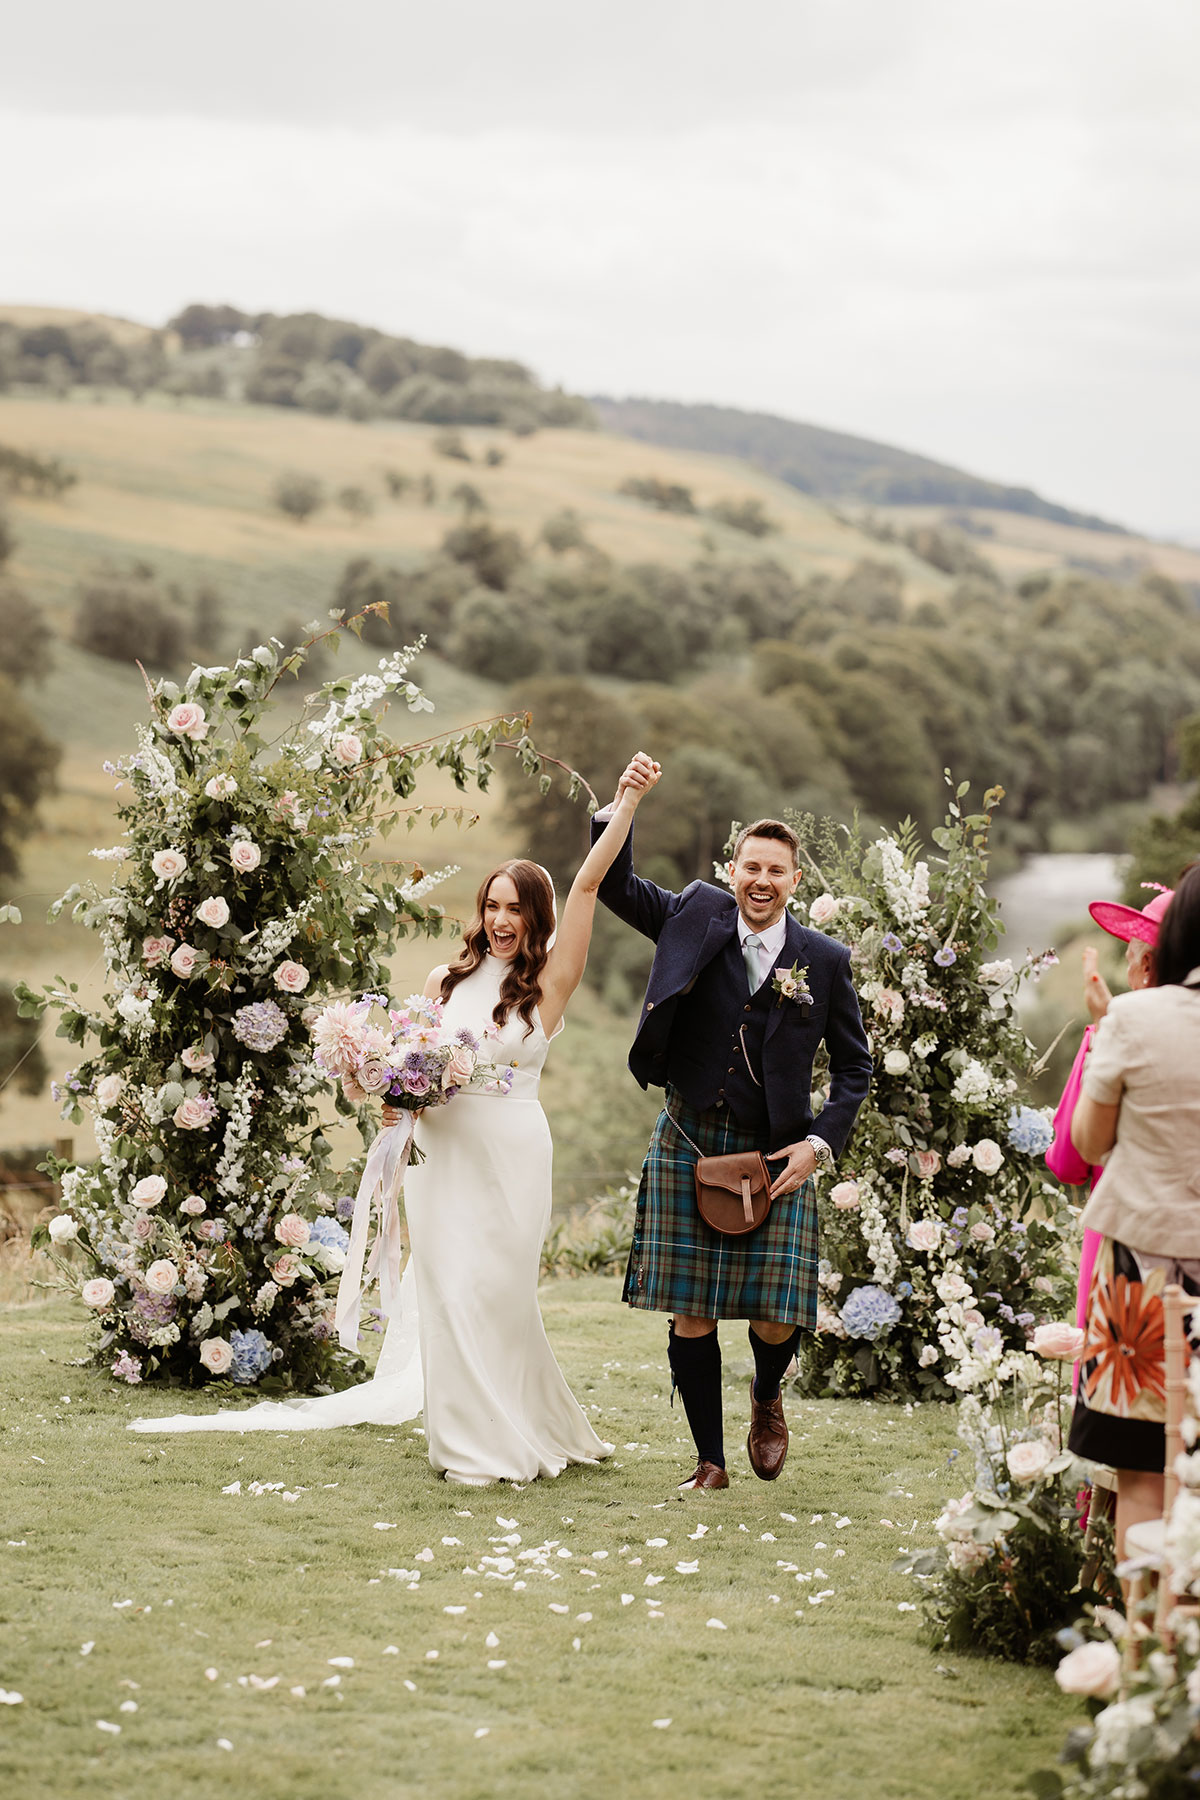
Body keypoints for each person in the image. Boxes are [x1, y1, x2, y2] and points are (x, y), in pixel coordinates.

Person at [131, 754, 662, 1485]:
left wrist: (627, 800)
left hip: (511, 1154)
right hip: (437, 1158)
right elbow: (408, 1069)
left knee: (498, 1294)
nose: (501, 920)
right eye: (492, 905)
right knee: (446, 1289)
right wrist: (389, 1096)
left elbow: (590, 884)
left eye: (516, 908)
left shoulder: (549, 982)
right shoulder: (444, 980)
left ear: (534, 918)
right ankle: (471, 1447)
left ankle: (529, 1424)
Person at [592, 760, 872, 1490]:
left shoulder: (826, 961)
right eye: (750, 866)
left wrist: (819, 1144)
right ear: (731, 869)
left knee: (776, 1317)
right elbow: (616, 885)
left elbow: (854, 1069)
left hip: (775, 1155)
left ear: (793, 881)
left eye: (775, 871)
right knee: (692, 1311)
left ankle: (767, 1394)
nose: (761, 880)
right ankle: (710, 1462)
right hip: (688, 1139)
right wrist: (625, 802)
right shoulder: (693, 911)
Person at [1067, 864, 1200, 1563]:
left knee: (1143, 1470)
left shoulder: (1134, 1017)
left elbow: (1088, 1141)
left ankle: (1144, 1646)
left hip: (1141, 1278)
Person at [1046, 886, 1174, 1377]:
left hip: (1123, 1229)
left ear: (1144, 967)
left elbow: (1069, 1161)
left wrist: (1102, 1027)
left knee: (1121, 1383)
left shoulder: (1110, 1035)